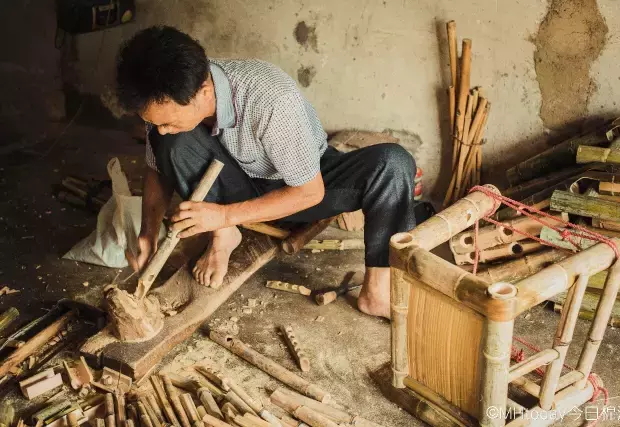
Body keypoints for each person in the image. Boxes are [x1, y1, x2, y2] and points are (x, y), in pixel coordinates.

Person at [116, 26, 416, 318]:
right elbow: (157, 167)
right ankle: (224, 238)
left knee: (393, 162)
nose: (162, 128)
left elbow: (310, 191)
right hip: (236, 187)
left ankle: (377, 291)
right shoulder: (160, 99)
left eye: (167, 121)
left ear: (203, 92)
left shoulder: (270, 97)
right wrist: (149, 232)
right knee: (171, 142)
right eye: (154, 122)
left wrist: (222, 215)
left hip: (301, 188)